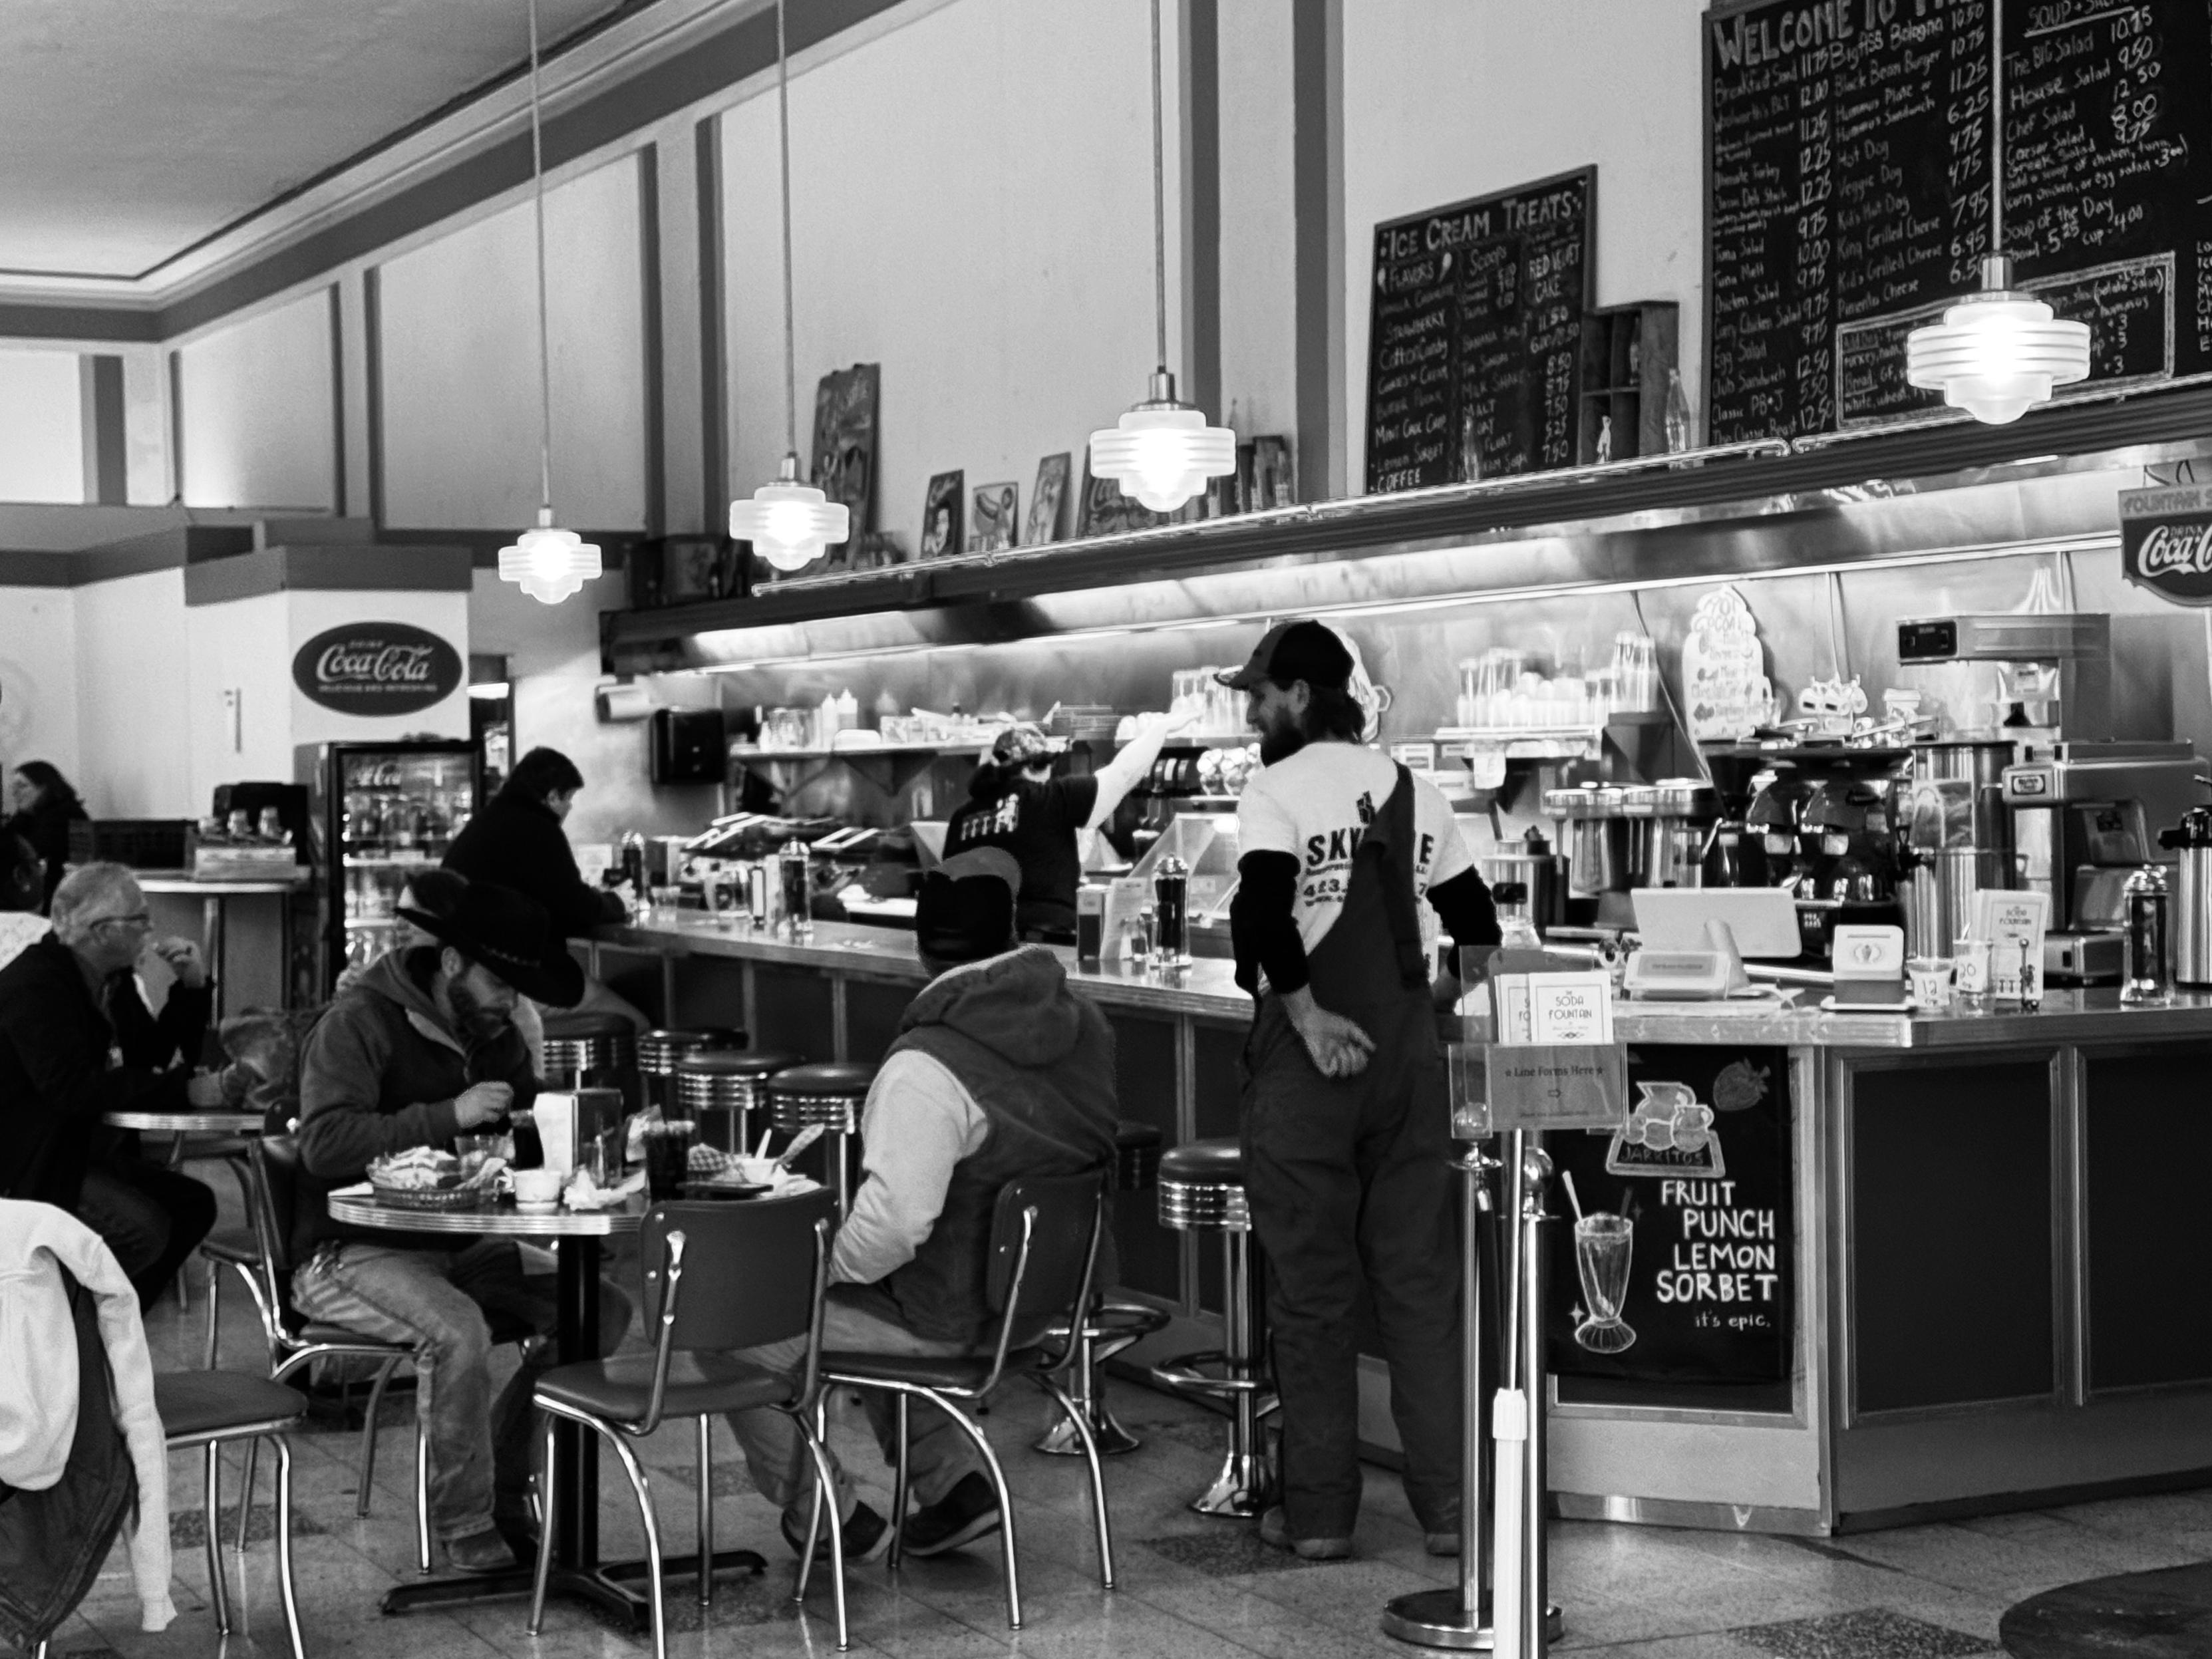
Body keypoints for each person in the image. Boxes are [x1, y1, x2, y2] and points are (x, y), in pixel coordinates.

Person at [721, 847, 1119, 1561]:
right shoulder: (1089, 1028)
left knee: (733, 1328)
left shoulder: (926, 1065)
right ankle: (954, 1486)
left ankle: (825, 1513)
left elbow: (896, 1225)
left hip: (954, 1318)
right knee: (871, 1301)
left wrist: (819, 1269)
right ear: (1010, 933)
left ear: (920, 947)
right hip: (1046, 1304)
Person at [1219, 619, 1500, 1561]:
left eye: (1258, 694)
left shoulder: (1275, 785)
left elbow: (1264, 911)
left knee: (1311, 1293)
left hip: (1311, 1071)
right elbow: (1475, 921)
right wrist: (1439, 998)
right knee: (1419, 1286)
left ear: (1300, 695)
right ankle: (1451, 1509)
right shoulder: (1415, 790)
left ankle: (1321, 1515)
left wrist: (1305, 1017)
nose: (1252, 711)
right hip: (1406, 1067)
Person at [287, 879, 631, 1575]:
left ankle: (506, 1477)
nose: (512, 1000)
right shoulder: (358, 1020)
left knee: (599, 1311)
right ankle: (466, 1523)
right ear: (450, 964)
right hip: (348, 1250)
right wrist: (453, 1112)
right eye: (501, 982)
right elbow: (323, 1143)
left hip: (461, 1243)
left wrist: (592, 1150)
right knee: (458, 1332)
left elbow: (526, 1129)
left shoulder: (492, 1031)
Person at [0, 863, 231, 1308]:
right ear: (103, 930)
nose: (150, 929)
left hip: (80, 1153)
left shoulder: (112, 982)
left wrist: (192, 988)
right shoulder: (36, 986)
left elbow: (149, 1058)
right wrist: (184, 1091)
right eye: (141, 919)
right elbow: (73, 1090)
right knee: (142, 1230)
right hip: (28, 1165)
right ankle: (65, 1332)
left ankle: (116, 1337)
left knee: (192, 1204)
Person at [442, 745, 645, 1031]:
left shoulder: (486, 822)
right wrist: (617, 902)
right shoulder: (539, 829)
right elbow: (574, 908)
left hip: (463, 979)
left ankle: (558, 1075)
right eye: (569, 799)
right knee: (635, 1025)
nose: (570, 809)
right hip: (514, 983)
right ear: (552, 796)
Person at [941, 712, 1192, 942]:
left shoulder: (963, 816)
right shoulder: (1050, 798)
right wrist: (1160, 730)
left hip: (971, 943)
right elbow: (1123, 774)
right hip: (1039, 940)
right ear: (1035, 766)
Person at [4, 762, 88, 913]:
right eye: (14, 787)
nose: (15, 793)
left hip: (58, 899)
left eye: (22, 786)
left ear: (44, 788)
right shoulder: (29, 816)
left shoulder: (65, 815)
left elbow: (29, 855)